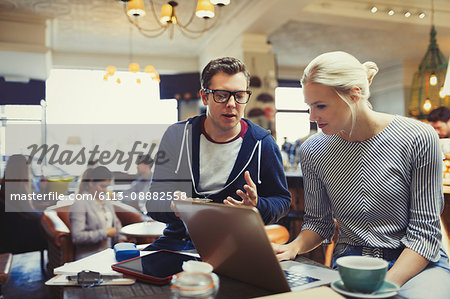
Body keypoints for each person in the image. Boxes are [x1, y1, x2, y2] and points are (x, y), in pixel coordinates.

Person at [272, 51, 450, 298]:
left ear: (354, 94)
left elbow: (424, 235)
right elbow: (318, 224)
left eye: (320, 106)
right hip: (351, 262)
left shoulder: (418, 137)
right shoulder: (312, 150)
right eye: (309, 106)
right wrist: (293, 248)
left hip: (415, 264)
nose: (312, 117)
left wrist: (386, 285)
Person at [145, 57, 291, 251]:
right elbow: (154, 201)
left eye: (239, 96)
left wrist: (256, 205)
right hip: (179, 241)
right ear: (204, 97)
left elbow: (281, 200)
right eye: (221, 95)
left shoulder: (262, 143)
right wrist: (174, 206)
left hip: (238, 245)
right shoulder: (177, 136)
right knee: (140, 276)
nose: (231, 104)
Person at [70, 166, 125, 260]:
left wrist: (121, 240)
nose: (105, 190)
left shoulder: (105, 200)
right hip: (89, 257)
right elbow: (77, 237)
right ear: (91, 183)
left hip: (108, 254)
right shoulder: (80, 203)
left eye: (107, 186)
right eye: (102, 186)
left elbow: (116, 223)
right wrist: (104, 233)